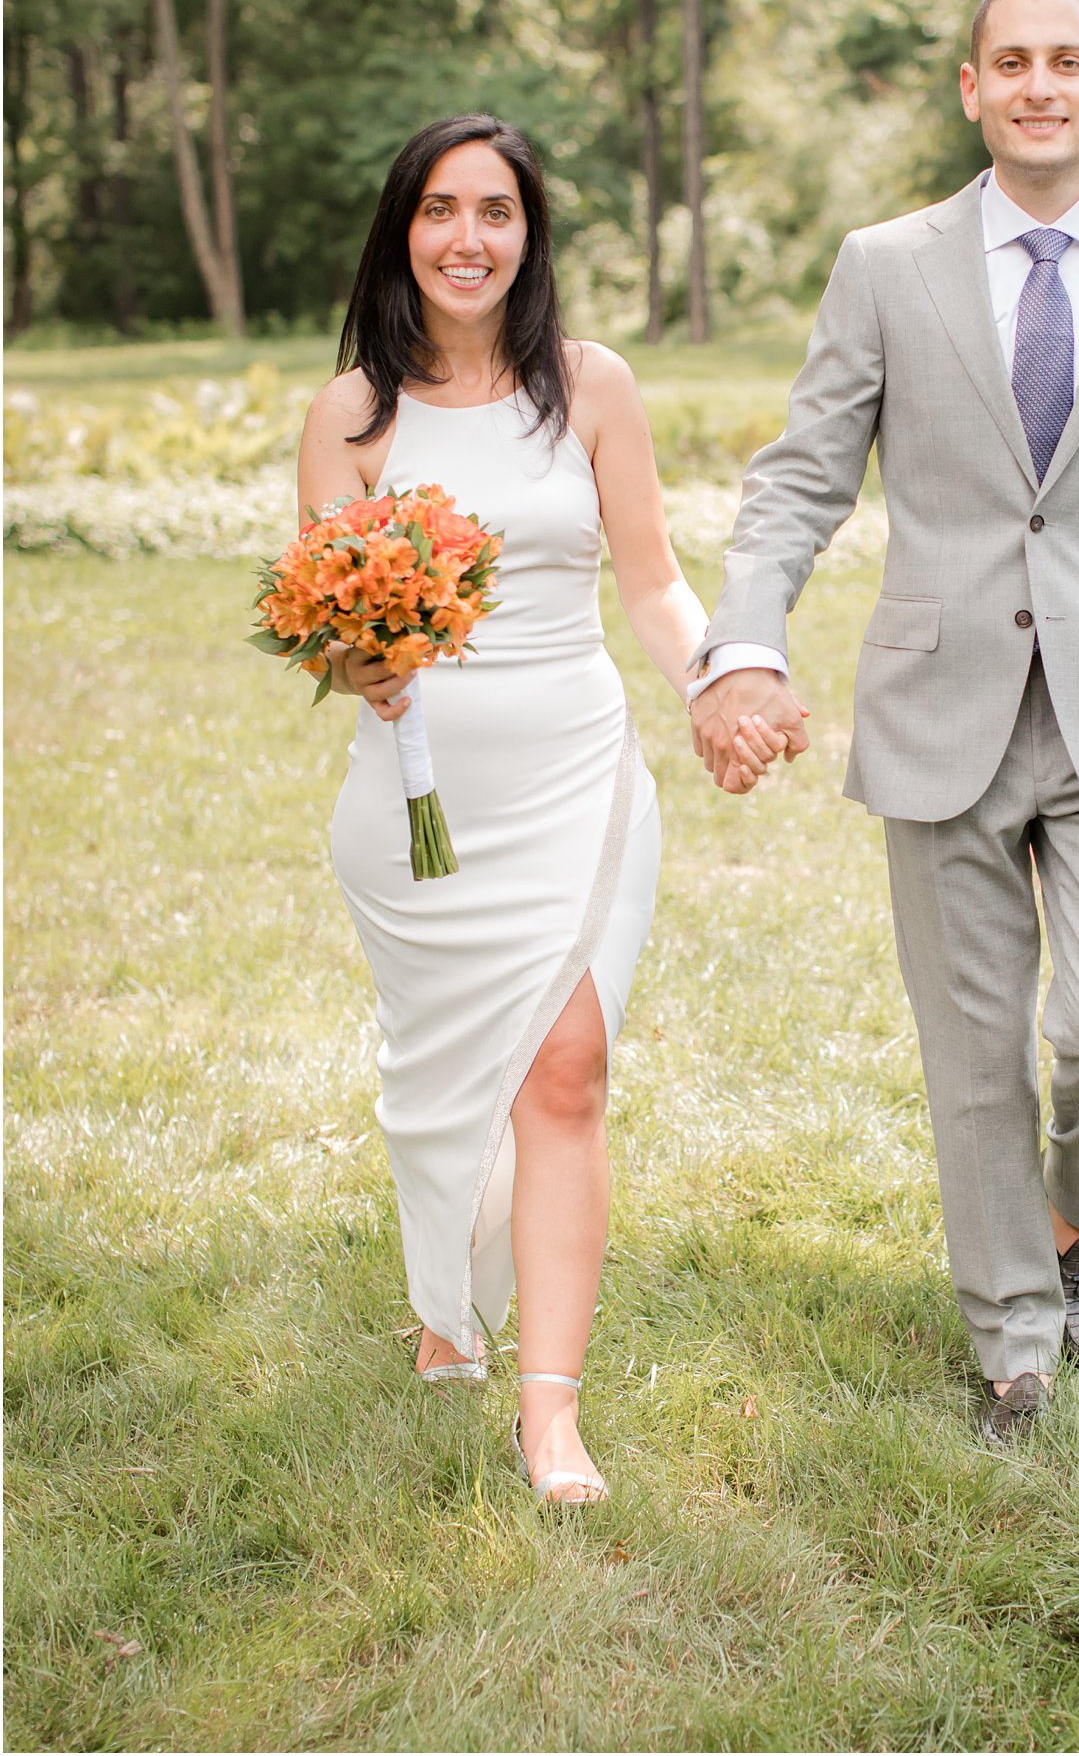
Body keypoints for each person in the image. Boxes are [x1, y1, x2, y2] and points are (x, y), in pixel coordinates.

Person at [688, 0, 1079, 1443]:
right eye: (1008, 62)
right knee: (970, 1057)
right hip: (938, 706)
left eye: (1064, 61)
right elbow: (802, 479)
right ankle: (1015, 1341)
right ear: (971, 88)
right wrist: (744, 641)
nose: (1037, 85)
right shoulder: (884, 265)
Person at [297, 114, 772, 1504]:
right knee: (441, 1081)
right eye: (440, 210)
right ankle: (447, 1290)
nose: (467, 238)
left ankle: (550, 1411)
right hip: (415, 804)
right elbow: (325, 617)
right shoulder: (351, 415)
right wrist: (363, 657)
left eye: (495, 211)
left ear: (530, 233)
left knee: (565, 1070)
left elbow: (651, 580)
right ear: (402, 232)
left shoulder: (593, 387)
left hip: (575, 780)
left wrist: (719, 676)